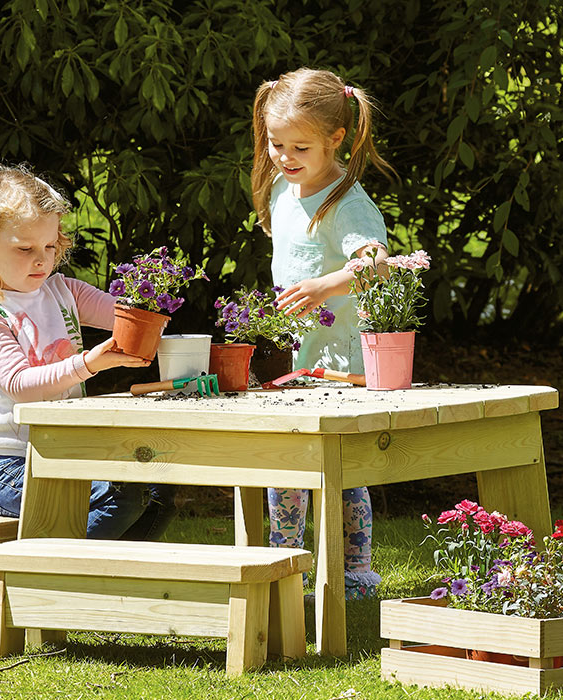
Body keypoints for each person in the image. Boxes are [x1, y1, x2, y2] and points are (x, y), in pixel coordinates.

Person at [0, 163, 177, 540]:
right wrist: (88, 364)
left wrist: (154, 305)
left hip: (69, 453)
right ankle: (59, 575)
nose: (41, 259)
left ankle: (114, 577)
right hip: (13, 467)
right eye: (25, 248)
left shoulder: (64, 291)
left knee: (160, 486)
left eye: (49, 246)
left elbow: (129, 320)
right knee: (123, 494)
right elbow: (19, 385)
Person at [251, 67, 395, 600]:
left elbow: (379, 263)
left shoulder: (346, 201)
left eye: (300, 146)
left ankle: (353, 572)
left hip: (344, 363)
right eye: (275, 143)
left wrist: (324, 286)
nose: (285, 157)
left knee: (338, 471)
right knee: (290, 463)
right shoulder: (287, 192)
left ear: (336, 138)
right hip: (304, 360)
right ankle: (286, 566)